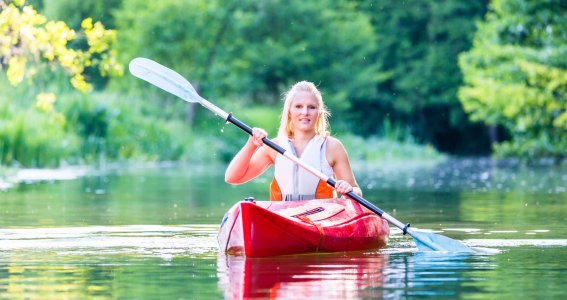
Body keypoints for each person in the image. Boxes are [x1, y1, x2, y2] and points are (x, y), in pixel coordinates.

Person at [225, 81, 362, 201]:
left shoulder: (332, 147)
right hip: (283, 215)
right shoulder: (274, 146)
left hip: (321, 217)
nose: (305, 112)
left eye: (311, 107)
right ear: (289, 111)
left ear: (319, 113)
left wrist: (349, 189)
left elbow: (357, 192)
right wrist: (251, 145)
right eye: (298, 106)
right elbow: (232, 178)